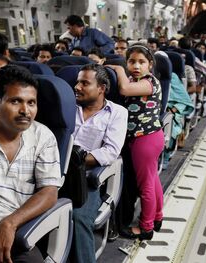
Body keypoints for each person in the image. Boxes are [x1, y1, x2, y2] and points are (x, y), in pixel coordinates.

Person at [0, 65, 62, 263]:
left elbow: (49, 192)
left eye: (31, 102)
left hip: (15, 229)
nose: (25, 110)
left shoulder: (43, 137)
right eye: (15, 101)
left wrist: (9, 223)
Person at [70, 63, 128, 263]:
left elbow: (110, 152)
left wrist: (72, 160)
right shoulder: (68, 106)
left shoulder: (117, 113)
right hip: (54, 172)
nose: (77, 86)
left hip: (86, 178)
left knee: (78, 218)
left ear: (102, 88)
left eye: (84, 83)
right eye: (77, 82)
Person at [106, 45, 164, 240]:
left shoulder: (149, 83)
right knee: (153, 180)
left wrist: (119, 69)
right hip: (147, 137)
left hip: (145, 138)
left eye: (141, 62)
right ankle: (157, 217)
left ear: (150, 65)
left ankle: (146, 227)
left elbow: (124, 89)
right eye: (131, 61)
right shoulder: (136, 80)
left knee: (145, 184)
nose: (136, 66)